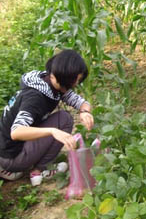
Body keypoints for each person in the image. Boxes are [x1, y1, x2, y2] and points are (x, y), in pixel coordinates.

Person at [0, 50, 94, 186]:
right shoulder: (35, 98)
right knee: (64, 121)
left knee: (64, 118)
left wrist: (84, 111)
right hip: (11, 157)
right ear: (65, 77)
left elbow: (81, 103)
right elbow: (16, 132)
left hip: (7, 148)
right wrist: (52, 131)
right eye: (75, 80)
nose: (75, 84)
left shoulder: (50, 81)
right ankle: (39, 170)